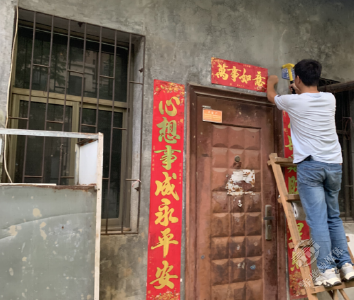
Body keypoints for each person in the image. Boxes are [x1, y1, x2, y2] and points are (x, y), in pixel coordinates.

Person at [267, 59, 354, 287]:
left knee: (317, 221)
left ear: (296, 79)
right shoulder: (330, 98)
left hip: (311, 166)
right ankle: (345, 265)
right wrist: (298, 88)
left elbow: (271, 97)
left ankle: (327, 271)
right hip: (334, 164)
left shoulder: (292, 102)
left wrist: (272, 81)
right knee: (333, 217)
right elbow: (308, 97)